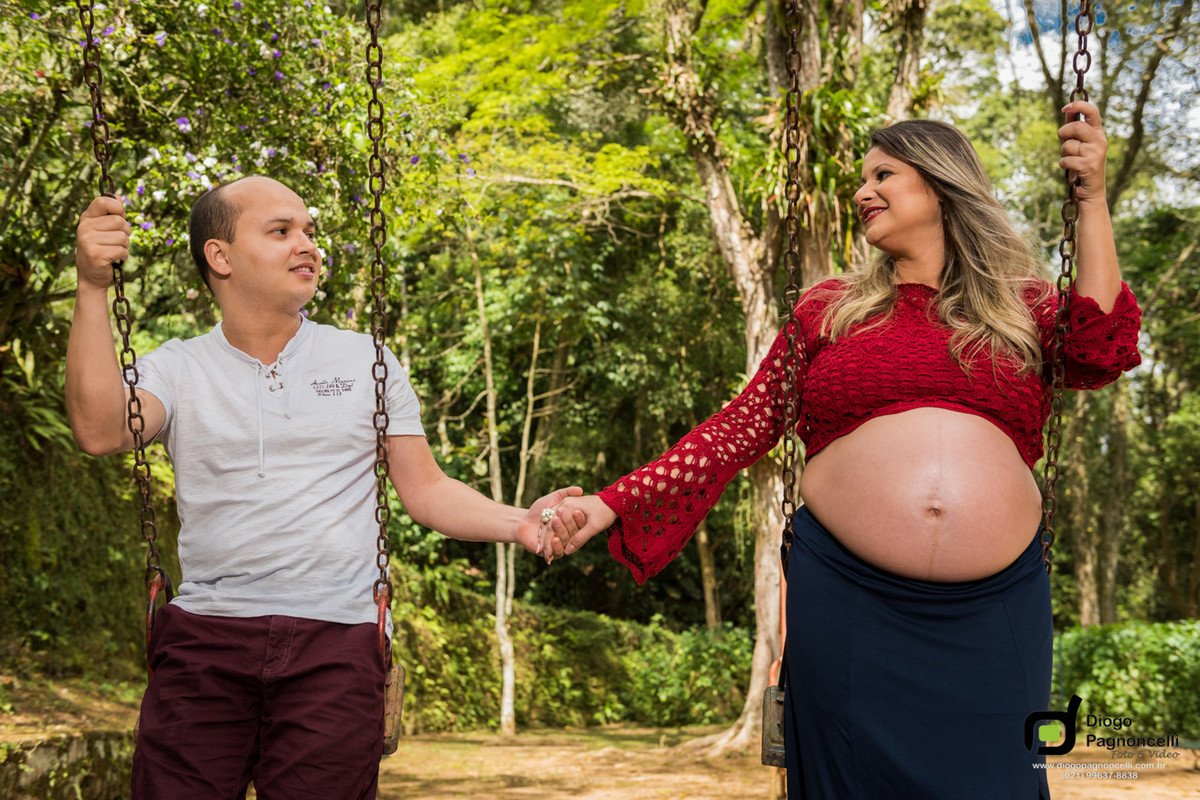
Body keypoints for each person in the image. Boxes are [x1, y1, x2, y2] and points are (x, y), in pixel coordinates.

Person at [541, 101, 1142, 798]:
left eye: (883, 174)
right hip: (850, 598)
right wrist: (615, 504)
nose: (862, 193)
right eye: (862, 179)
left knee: (998, 780)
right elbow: (744, 425)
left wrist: (1092, 198)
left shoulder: (1023, 308)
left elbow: (1100, 349)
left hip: (995, 608)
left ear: (941, 184)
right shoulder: (830, 308)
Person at [66, 175, 582, 800]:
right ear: (220, 256)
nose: (307, 244)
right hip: (205, 638)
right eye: (281, 231)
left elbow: (426, 490)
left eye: (309, 230)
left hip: (336, 640)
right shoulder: (177, 368)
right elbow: (99, 429)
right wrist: (94, 287)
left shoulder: (366, 361)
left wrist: (518, 523)